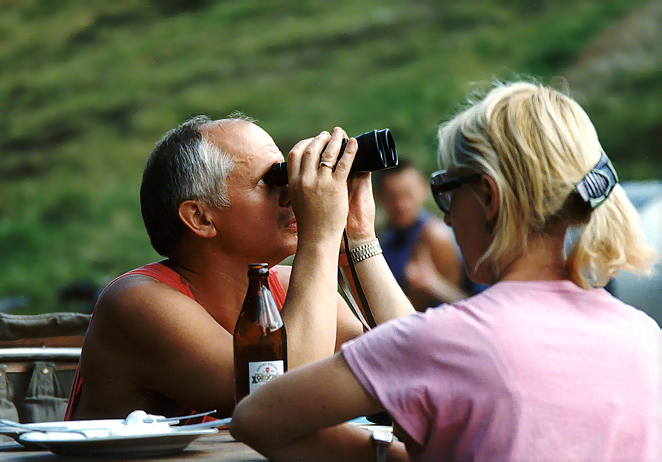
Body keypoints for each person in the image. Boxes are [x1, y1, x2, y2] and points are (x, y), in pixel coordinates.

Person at [230, 81, 661, 461]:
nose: (447, 218)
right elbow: (428, 353)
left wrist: (321, 237)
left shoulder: (446, 343)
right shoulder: (645, 337)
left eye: (445, 191)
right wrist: (360, 239)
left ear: (488, 198)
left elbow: (263, 416)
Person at [65, 115, 414, 421]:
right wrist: (320, 236)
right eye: (271, 181)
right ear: (200, 217)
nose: (292, 194)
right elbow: (282, 398)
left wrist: (358, 236)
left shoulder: (290, 288)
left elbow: (413, 371)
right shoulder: (137, 302)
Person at [375, 160, 471, 310]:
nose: (401, 204)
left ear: (423, 188)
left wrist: (434, 285)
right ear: (380, 196)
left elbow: (471, 304)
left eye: (407, 194)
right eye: (392, 196)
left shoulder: (436, 236)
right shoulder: (385, 239)